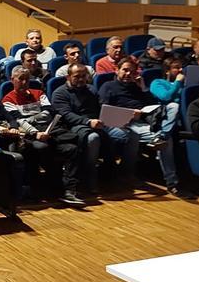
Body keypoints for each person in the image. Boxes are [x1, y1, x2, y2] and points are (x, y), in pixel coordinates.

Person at [98, 58, 190, 197]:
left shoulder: (137, 86)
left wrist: (143, 88)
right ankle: (129, 174)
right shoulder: (108, 86)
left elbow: (152, 104)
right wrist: (129, 115)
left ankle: (161, 140)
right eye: (125, 70)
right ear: (117, 70)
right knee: (141, 136)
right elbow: (104, 111)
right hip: (122, 123)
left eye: (132, 71)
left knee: (172, 109)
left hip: (144, 121)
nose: (128, 74)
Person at [50, 64, 139, 192]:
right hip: (75, 126)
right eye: (77, 76)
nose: (81, 79)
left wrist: (119, 118)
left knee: (132, 135)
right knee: (93, 138)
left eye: (83, 76)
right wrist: (87, 121)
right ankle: (90, 178)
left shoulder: (91, 90)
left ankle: (125, 173)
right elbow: (66, 115)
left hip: (100, 123)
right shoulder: (60, 93)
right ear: (68, 77)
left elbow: (102, 107)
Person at [2, 67, 84, 204]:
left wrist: (30, 118)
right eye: (20, 79)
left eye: (27, 79)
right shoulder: (8, 99)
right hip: (30, 135)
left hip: (50, 131)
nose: (24, 82)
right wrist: (35, 130)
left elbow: (48, 113)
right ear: (12, 80)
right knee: (41, 147)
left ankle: (70, 190)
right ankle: (51, 187)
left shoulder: (39, 93)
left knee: (73, 147)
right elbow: (18, 121)